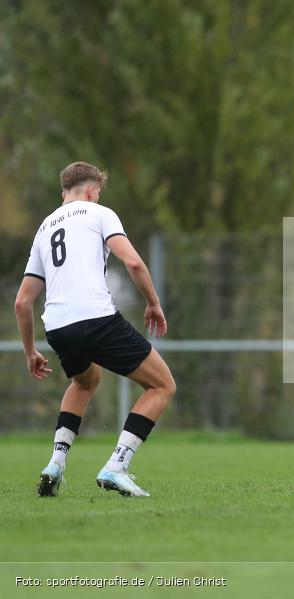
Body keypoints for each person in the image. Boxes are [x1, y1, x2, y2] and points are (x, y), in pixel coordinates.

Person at [15, 162, 176, 498]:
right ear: (91, 191)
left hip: (57, 327)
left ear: (64, 193)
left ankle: (56, 463)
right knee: (162, 385)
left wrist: (31, 351)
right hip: (96, 319)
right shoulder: (99, 213)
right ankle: (117, 466)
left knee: (85, 380)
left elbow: (23, 302)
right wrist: (153, 302)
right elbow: (132, 261)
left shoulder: (45, 228)